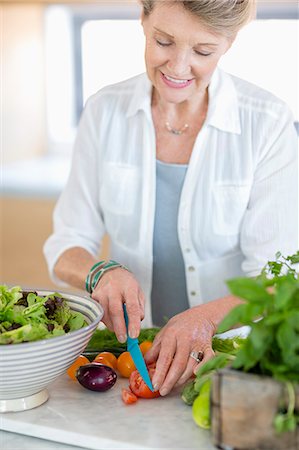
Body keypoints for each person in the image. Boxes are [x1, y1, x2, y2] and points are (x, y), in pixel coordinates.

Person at [44, 0, 298, 397]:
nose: (178, 68)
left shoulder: (267, 122)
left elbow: (280, 279)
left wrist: (206, 320)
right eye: (163, 41)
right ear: (143, 19)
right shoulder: (104, 111)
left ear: (228, 43)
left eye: (202, 51)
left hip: (229, 360)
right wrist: (101, 271)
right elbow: (66, 244)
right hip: (131, 356)